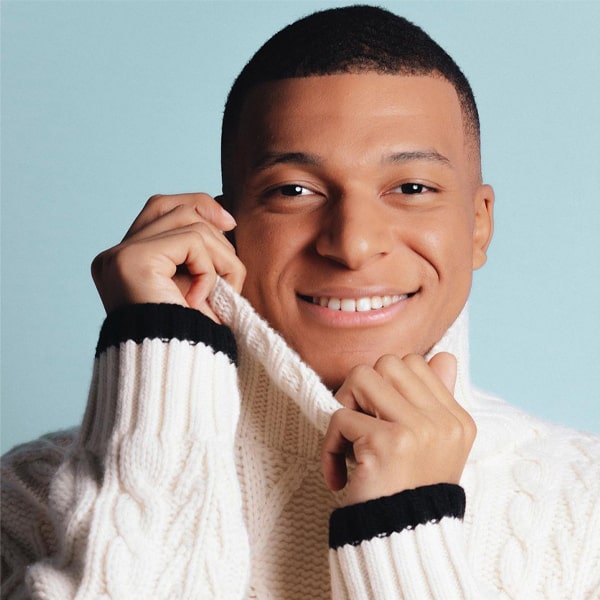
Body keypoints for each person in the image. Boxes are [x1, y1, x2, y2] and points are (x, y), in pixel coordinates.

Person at [2, 5, 599, 599]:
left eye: (412, 187)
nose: (353, 245)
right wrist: (159, 360)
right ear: (224, 228)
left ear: (478, 225)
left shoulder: (585, 507)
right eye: (294, 190)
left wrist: (406, 524)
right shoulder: (26, 497)